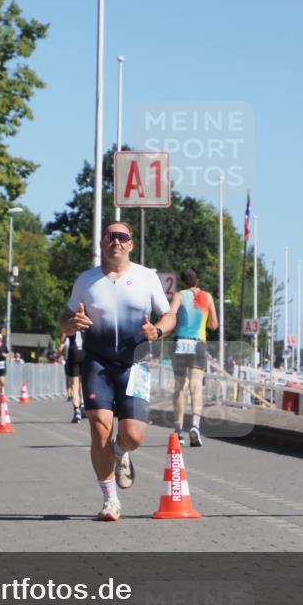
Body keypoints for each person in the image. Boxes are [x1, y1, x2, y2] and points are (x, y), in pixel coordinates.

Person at [60, 221, 175, 521]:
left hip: (136, 363)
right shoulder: (86, 280)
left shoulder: (146, 277)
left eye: (122, 237)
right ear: (101, 243)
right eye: (111, 236)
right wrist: (72, 325)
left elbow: (169, 315)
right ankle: (110, 500)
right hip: (96, 362)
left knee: (133, 436)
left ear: (131, 244)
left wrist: (158, 331)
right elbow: (64, 319)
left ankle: (122, 453)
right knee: (99, 428)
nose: (116, 242)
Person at [168, 269, 218, 447]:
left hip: (181, 342)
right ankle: (195, 426)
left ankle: (179, 430)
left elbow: (171, 315)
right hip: (198, 343)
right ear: (198, 280)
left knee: (179, 387)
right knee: (196, 387)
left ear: (183, 282)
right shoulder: (208, 297)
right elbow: (214, 324)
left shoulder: (179, 296)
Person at [59, 333, 85, 423]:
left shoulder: (71, 324)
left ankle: (77, 411)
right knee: (82, 383)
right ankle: (82, 404)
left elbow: (62, 340)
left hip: (73, 353)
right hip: (84, 353)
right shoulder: (86, 324)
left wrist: (58, 352)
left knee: (74, 385)